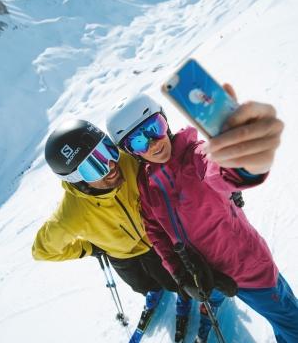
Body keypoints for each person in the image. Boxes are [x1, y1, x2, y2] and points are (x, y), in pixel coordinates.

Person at [106, 89, 298, 343]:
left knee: (290, 322)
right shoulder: (146, 182)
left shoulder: (194, 155)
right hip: (202, 271)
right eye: (139, 141)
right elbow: (155, 232)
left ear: (166, 122)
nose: (152, 143)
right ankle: (210, 306)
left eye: (154, 127)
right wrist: (181, 274)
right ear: (131, 152)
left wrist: (242, 163)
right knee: (213, 293)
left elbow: (217, 168)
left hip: (246, 265)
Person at [32, 119, 190, 341]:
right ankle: (151, 291)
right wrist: (89, 247)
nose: (111, 165)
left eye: (107, 150)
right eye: (94, 166)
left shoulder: (128, 161)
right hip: (122, 256)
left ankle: (182, 294)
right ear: (77, 180)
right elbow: (42, 250)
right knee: (141, 284)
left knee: (172, 279)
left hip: (155, 241)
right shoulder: (71, 215)